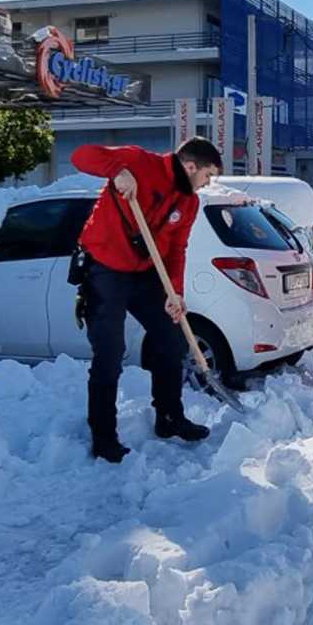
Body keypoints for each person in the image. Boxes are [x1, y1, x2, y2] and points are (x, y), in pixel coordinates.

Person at [72, 137, 223, 463]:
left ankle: (169, 417)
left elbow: (176, 249)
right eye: (207, 176)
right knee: (109, 352)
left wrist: (174, 293)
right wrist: (116, 171)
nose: (207, 184)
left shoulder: (189, 202)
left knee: (172, 341)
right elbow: (82, 154)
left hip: (144, 274)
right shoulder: (139, 162)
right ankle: (104, 436)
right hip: (105, 269)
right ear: (190, 166)